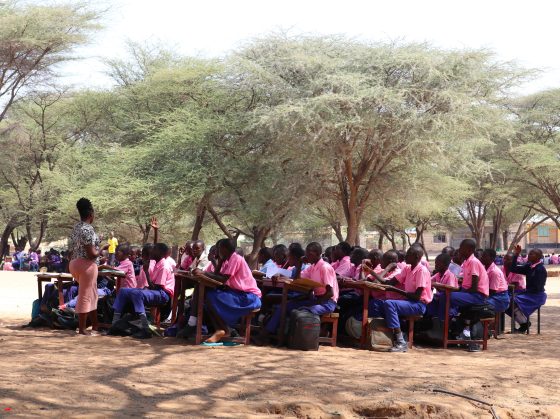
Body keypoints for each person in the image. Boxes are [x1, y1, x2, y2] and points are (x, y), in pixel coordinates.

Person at [192, 238, 262, 345]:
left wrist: (203, 273)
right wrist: (219, 262)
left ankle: (224, 329)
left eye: (219, 249)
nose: (217, 252)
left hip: (249, 297)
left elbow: (223, 279)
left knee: (211, 296)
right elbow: (217, 276)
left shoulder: (236, 258)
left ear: (224, 249)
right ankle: (221, 329)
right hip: (238, 294)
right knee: (206, 297)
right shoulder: (227, 260)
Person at [263, 242, 339, 338]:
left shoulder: (325, 267)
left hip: (327, 302)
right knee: (284, 306)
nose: (307, 256)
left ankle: (302, 337)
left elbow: (330, 293)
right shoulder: (312, 267)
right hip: (316, 299)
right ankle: (266, 334)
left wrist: (316, 303)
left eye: (309, 254)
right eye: (306, 254)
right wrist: (299, 264)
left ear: (317, 253)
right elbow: (297, 279)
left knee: (303, 310)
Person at [367, 245, 432, 352]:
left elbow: (416, 297)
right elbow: (388, 283)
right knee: (379, 305)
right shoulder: (407, 268)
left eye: (408, 254)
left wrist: (396, 290)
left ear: (416, 257)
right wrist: (371, 272)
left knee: (389, 304)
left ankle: (401, 341)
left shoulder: (422, 271)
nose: (405, 256)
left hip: (419, 304)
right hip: (408, 302)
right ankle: (388, 336)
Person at [111, 242, 175, 339]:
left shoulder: (164, 266)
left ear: (160, 253)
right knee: (123, 291)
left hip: (163, 294)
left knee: (137, 294)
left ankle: (145, 329)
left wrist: (146, 272)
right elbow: (152, 286)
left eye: (154, 249)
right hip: (156, 291)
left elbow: (156, 287)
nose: (152, 251)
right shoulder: (157, 263)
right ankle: (114, 324)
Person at [438, 239, 489, 342]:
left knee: (448, 296)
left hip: (477, 296)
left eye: (462, 248)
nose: (459, 250)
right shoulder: (466, 262)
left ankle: (446, 323)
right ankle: (447, 322)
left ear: (469, 250)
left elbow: (474, 287)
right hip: (470, 293)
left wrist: (460, 292)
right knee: (444, 294)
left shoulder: (474, 262)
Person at [68, 198, 106, 335]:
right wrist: (101, 249)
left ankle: (95, 326)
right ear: (91, 214)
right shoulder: (88, 229)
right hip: (86, 266)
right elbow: (91, 254)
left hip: (74, 263)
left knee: (93, 295)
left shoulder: (76, 228)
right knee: (85, 295)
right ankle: (82, 329)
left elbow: (72, 249)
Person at [506, 245, 547, 333]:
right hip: (528, 293)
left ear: (538, 257)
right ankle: (524, 323)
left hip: (536, 295)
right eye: (529, 253)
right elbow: (513, 269)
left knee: (512, 300)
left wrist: (521, 293)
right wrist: (516, 254)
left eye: (532, 254)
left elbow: (537, 287)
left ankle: (524, 325)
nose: (529, 255)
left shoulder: (540, 269)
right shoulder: (529, 266)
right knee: (506, 300)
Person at [424, 252, 457, 317]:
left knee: (442, 296)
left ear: (446, 265)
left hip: (449, 303)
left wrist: (436, 286)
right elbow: (428, 282)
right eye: (435, 263)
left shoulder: (450, 275)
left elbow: (449, 291)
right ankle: (431, 318)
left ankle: (440, 320)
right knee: (429, 299)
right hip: (439, 300)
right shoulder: (438, 275)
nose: (436, 266)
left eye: (438, 264)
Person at [481, 249, 510, 313]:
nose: (481, 258)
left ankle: (491, 322)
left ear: (491, 258)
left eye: (484, 256)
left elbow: (492, 291)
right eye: (482, 256)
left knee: (477, 306)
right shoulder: (483, 268)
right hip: (492, 295)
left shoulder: (494, 272)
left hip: (499, 298)